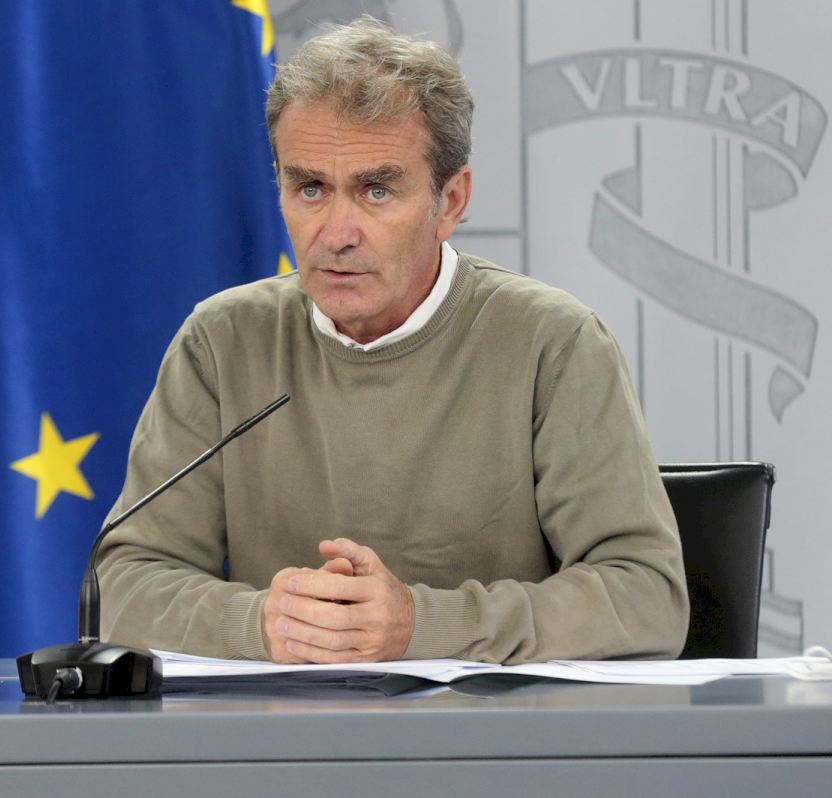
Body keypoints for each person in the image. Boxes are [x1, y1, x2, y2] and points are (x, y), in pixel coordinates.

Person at [96, 17, 688, 664]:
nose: (337, 233)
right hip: (283, 724)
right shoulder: (222, 342)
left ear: (451, 201)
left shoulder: (554, 344)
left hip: (494, 726)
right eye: (310, 188)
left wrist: (422, 625)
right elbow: (122, 586)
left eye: (376, 190)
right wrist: (264, 622)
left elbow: (646, 598)